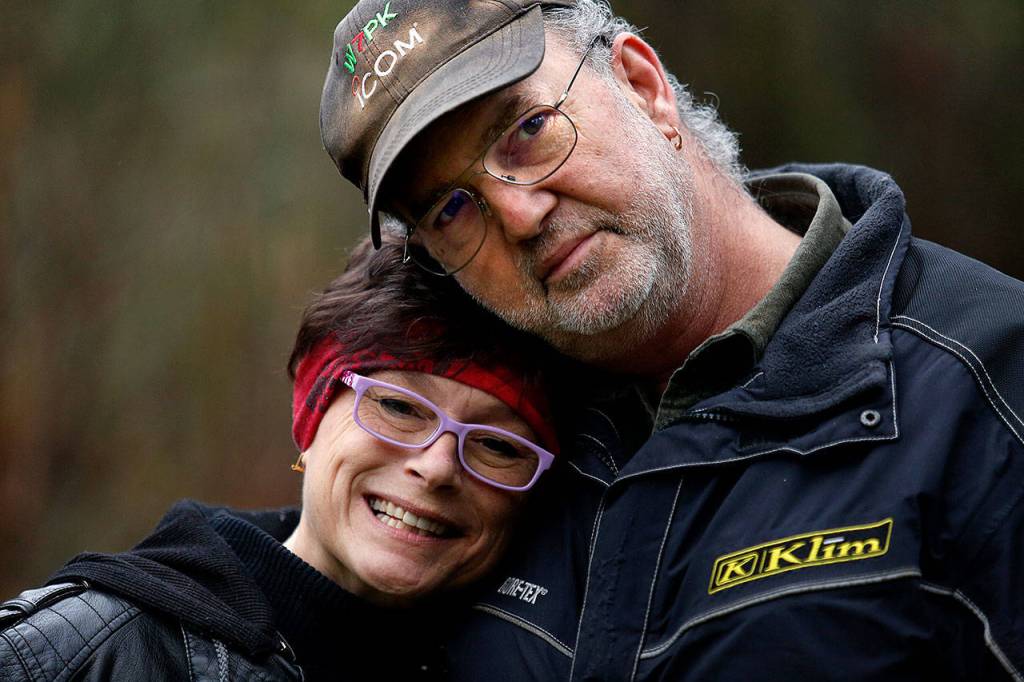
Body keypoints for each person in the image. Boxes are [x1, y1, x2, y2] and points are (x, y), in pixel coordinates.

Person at [317, 0, 1024, 679]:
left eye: (529, 130)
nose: (520, 214)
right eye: (451, 208)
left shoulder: (986, 388)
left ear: (643, 86)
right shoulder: (496, 453)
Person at [0, 239, 563, 681]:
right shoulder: (86, 651)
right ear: (311, 413)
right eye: (398, 407)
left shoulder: (534, 664)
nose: (438, 467)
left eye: (498, 445)